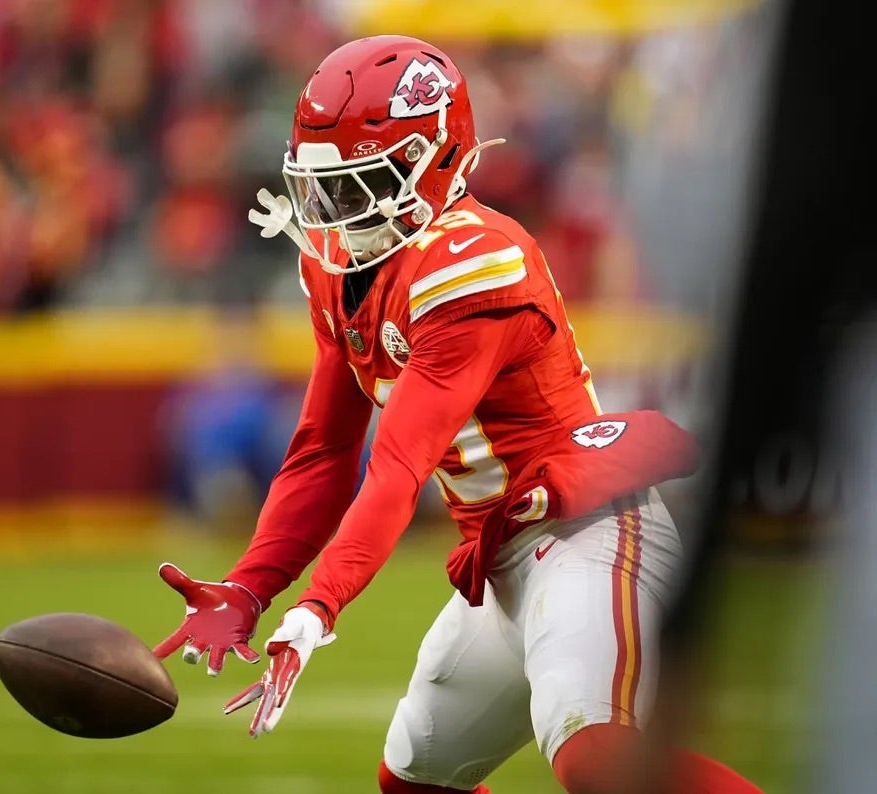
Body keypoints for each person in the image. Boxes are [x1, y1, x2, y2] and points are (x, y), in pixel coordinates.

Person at [152, 35, 762, 794]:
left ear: (432, 160)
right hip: (499, 557)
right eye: (325, 187)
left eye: (358, 184)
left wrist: (317, 607)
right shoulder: (343, 264)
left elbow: (398, 464)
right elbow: (322, 450)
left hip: (589, 532)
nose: (336, 213)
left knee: (599, 760)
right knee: (416, 782)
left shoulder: (474, 262)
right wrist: (248, 587)